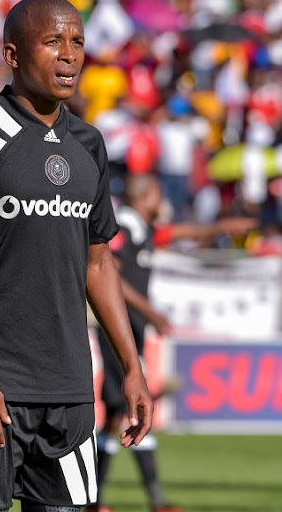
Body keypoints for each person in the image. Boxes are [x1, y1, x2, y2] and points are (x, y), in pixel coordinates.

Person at [0, 0, 152, 512]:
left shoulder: (90, 144)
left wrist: (132, 367)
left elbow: (98, 263)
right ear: (12, 54)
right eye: (52, 42)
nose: (69, 56)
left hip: (70, 391)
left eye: (77, 43)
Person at [90, 173, 255, 512]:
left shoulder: (143, 229)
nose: (162, 203)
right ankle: (149, 501)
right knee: (131, 410)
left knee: (119, 415)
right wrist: (151, 312)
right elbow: (110, 275)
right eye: (157, 196)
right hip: (114, 329)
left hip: (129, 331)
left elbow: (181, 233)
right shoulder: (123, 226)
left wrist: (223, 227)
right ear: (144, 195)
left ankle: (102, 501)